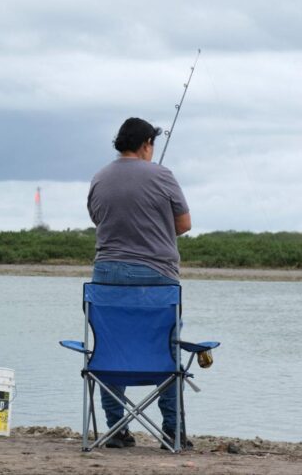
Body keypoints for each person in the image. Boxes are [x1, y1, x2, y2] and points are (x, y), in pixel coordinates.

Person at [86, 117, 192, 449]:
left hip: (105, 279)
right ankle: (172, 432)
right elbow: (184, 224)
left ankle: (116, 429)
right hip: (157, 280)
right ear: (146, 144)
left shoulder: (99, 178)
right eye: (152, 146)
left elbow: (97, 218)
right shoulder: (163, 175)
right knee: (164, 349)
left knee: (110, 347)